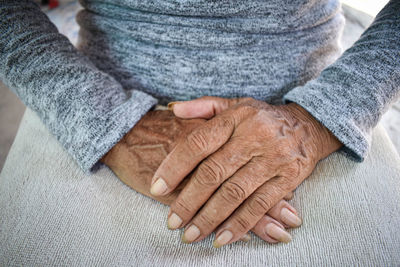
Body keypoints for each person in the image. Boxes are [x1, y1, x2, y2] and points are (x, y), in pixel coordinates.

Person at [0, 0, 399, 265]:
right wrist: (110, 123)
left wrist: (318, 121)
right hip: (91, 99)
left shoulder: (320, 118)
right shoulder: (102, 117)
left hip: (316, 109)